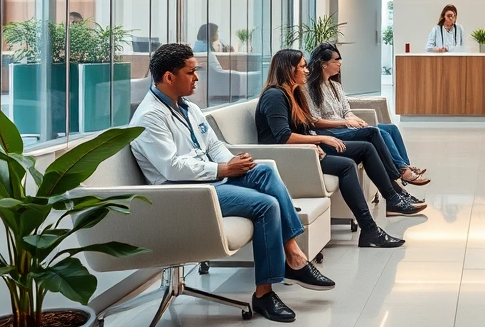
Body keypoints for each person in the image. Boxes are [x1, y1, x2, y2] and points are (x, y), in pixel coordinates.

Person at [130, 43, 334, 323]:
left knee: (264, 171)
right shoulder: (150, 116)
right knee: (266, 205)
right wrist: (223, 168)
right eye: (191, 72)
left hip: (210, 177)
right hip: (185, 192)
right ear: (168, 77)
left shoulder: (187, 107)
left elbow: (213, 144)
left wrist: (235, 163)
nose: (197, 78)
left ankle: (293, 251)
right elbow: (172, 167)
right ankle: (265, 293)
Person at [256, 48, 425, 231]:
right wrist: (318, 140)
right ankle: (379, 216)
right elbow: (283, 137)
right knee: (351, 161)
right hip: (290, 156)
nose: (307, 70)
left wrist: (314, 141)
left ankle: (390, 202)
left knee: (366, 147)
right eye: (302, 67)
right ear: (288, 70)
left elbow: (304, 126)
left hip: (305, 150)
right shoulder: (274, 96)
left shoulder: (293, 94)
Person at [307, 42, 429, 186]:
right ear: (323, 64)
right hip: (331, 131)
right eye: (336, 60)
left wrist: (356, 120)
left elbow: (346, 111)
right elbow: (314, 121)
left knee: (390, 128)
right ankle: (402, 171)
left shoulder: (335, 85)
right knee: (376, 131)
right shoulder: (310, 88)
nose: (340, 63)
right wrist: (345, 122)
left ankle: (405, 166)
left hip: (344, 128)